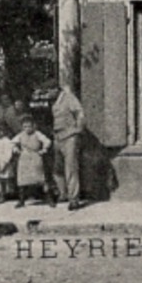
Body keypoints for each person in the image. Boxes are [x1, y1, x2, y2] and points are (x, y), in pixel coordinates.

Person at [51, 81, 87, 210]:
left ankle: (74, 199)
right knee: (57, 168)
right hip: (58, 136)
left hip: (70, 135)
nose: (49, 93)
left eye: (50, 89)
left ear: (57, 89)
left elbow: (80, 112)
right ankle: (63, 193)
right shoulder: (54, 102)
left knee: (71, 167)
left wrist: (79, 128)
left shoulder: (68, 97)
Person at [10, 114, 54, 207]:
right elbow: (12, 142)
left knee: (41, 179)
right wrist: (16, 149)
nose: (27, 128)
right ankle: (21, 200)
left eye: (29, 126)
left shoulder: (37, 133)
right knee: (22, 180)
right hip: (24, 158)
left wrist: (44, 150)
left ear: (33, 125)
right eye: (25, 126)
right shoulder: (20, 135)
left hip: (35, 157)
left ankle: (49, 199)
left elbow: (47, 141)